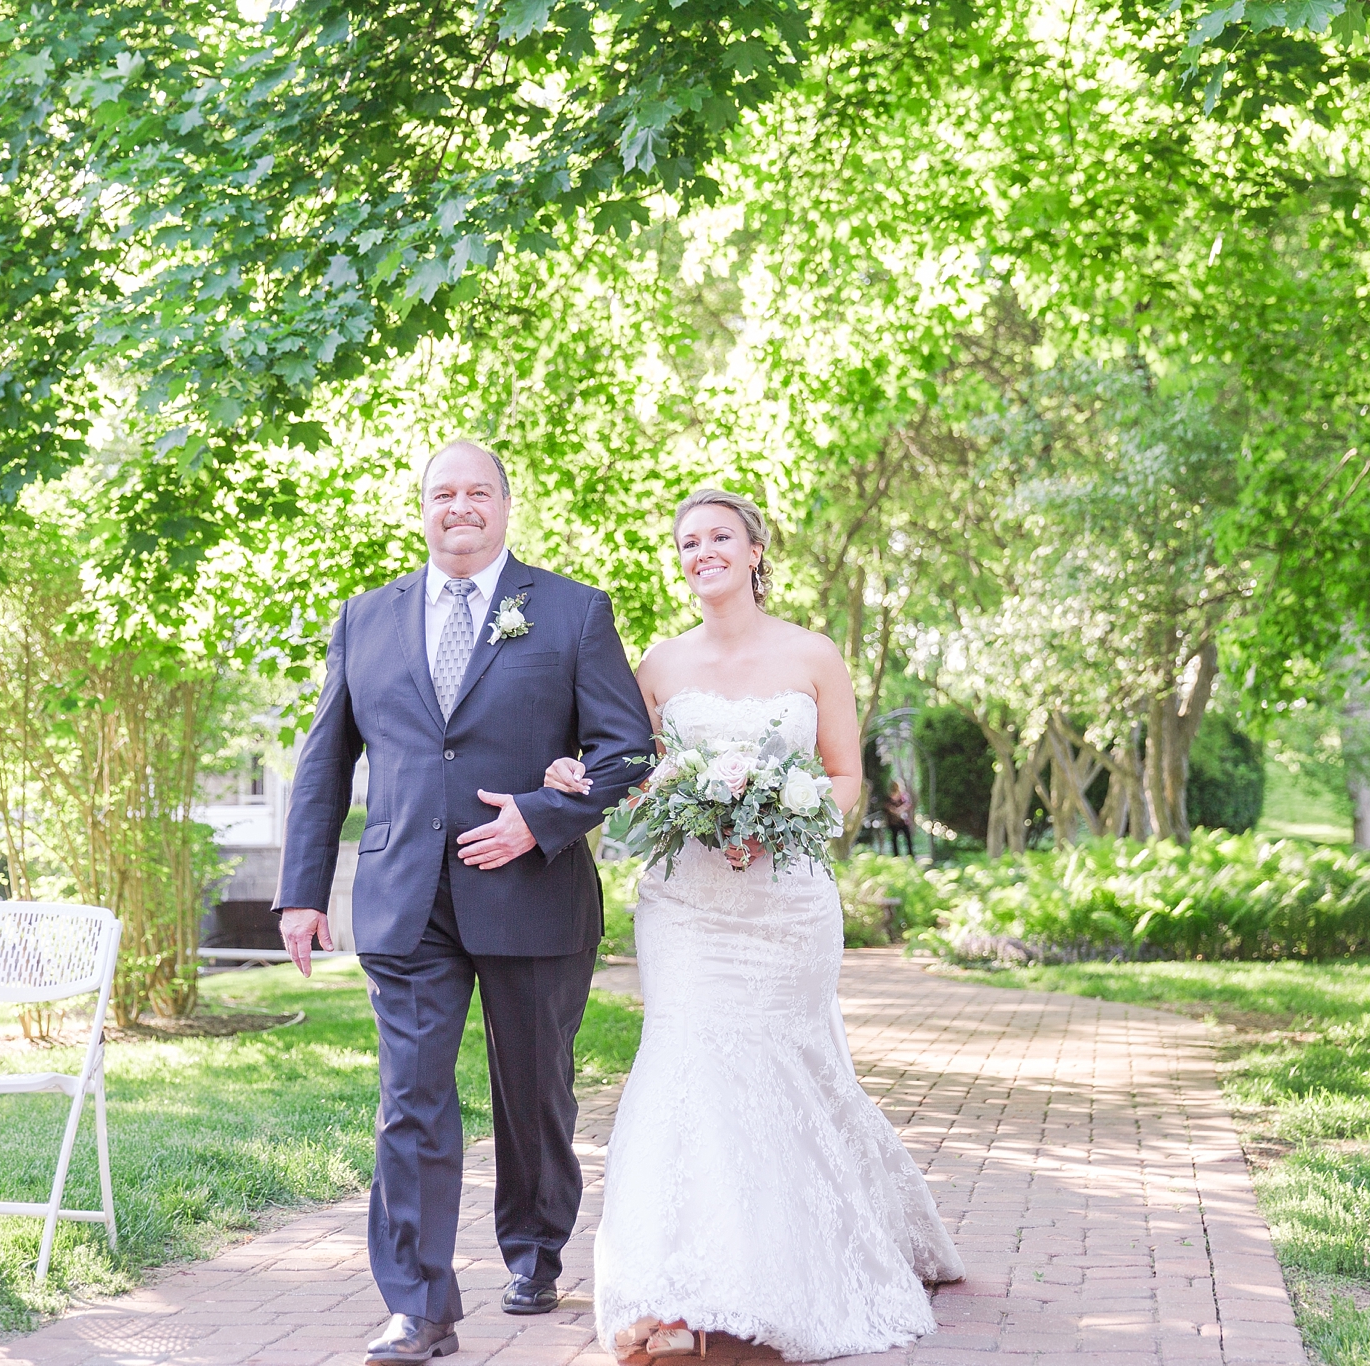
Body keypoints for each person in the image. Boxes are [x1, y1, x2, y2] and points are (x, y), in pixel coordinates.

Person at [541, 488, 963, 1363]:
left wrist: (784, 816)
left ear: (755, 549)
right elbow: (630, 770)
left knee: (791, 1069)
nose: (703, 552)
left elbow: (842, 776)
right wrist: (581, 777)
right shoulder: (657, 663)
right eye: (688, 541)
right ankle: (664, 1288)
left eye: (719, 537)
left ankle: (794, 1269)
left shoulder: (814, 655)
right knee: (684, 1064)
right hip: (687, 906)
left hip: (788, 904)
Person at [272, 441, 653, 1364]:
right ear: (423, 509)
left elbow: (627, 749)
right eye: (443, 494)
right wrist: (300, 893)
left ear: (506, 506)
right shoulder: (365, 618)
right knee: (410, 1099)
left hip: (531, 891)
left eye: (478, 492)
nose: (460, 507)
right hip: (406, 897)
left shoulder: (572, 611)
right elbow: (326, 759)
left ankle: (534, 1248)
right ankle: (420, 1306)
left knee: (534, 1091)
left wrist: (540, 816)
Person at [882, 779, 914, 856]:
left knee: (908, 838)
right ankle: (896, 856)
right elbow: (886, 807)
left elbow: (908, 805)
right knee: (894, 839)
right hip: (893, 822)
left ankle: (910, 855)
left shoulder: (904, 796)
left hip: (903, 821)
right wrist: (894, 810)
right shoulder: (889, 797)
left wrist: (900, 809)